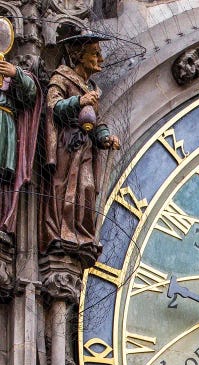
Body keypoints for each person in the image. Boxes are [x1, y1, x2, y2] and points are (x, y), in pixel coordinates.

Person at [40, 32, 120, 257]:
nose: (101, 59)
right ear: (78, 56)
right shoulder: (62, 78)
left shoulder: (92, 87)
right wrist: (78, 101)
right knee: (63, 186)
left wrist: (105, 138)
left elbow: (98, 121)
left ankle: (80, 234)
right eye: (95, 54)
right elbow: (52, 106)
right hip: (66, 143)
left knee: (86, 188)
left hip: (85, 147)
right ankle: (59, 233)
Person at [0, 56, 40, 239]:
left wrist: (15, 73)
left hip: (5, 124)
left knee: (3, 176)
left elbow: (31, 93)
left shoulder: (10, 70)